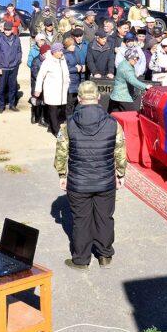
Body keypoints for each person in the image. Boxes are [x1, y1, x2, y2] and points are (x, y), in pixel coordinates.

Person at [55, 81, 127, 270]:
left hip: (78, 182)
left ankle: (81, 260)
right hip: (105, 181)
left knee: (81, 219)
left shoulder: (69, 123)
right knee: (105, 217)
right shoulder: (113, 123)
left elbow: (61, 151)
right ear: (98, 97)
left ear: (79, 99)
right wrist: (121, 174)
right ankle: (104, 256)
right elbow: (120, 151)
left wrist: (62, 174)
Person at [34, 43, 70, 135]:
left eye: (62, 50)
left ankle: (51, 127)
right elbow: (40, 76)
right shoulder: (48, 62)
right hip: (52, 91)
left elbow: (66, 72)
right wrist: (38, 89)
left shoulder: (63, 59)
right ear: (54, 52)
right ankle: (56, 131)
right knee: (53, 111)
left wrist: (68, 81)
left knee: (59, 110)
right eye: (60, 51)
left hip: (62, 90)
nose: (62, 52)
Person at [109, 47, 150, 113]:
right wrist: (145, 86)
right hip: (123, 97)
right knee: (133, 115)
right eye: (135, 59)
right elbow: (132, 80)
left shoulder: (124, 63)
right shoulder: (126, 68)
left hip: (116, 97)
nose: (136, 61)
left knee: (115, 117)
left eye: (137, 59)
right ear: (129, 58)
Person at [0, 21, 22, 112]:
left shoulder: (17, 38)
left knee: (13, 87)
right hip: (3, 67)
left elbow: (19, 51)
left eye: (8, 30)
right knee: (1, 88)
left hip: (13, 67)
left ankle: (12, 104)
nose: (7, 32)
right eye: (5, 30)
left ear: (12, 29)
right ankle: (1, 106)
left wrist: (17, 61)